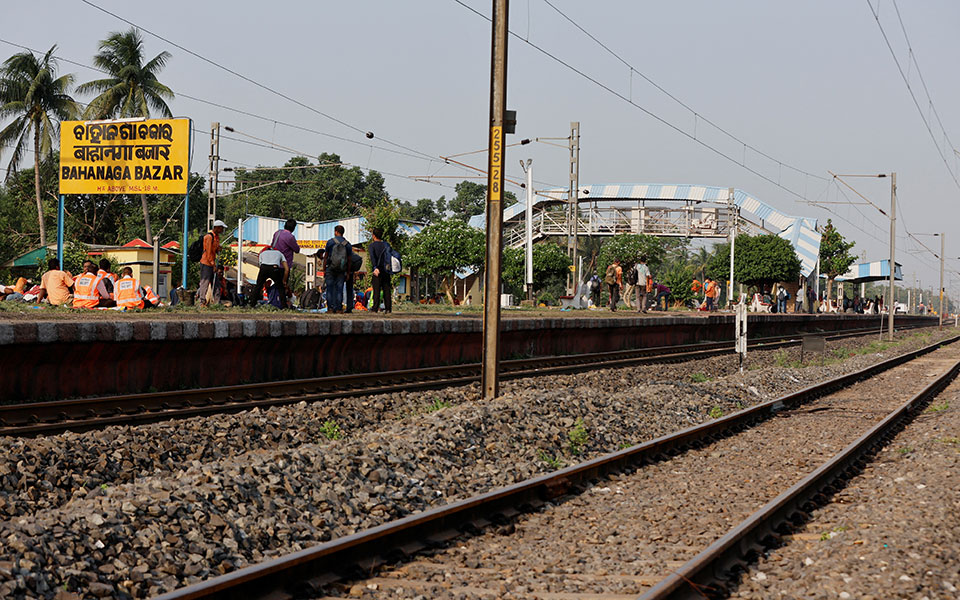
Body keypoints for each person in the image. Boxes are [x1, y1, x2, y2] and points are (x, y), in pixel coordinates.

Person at [323, 224, 353, 313]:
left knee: (329, 288)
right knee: (339, 289)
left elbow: (326, 256)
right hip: (341, 269)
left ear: (336, 232)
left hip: (331, 268)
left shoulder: (330, 242)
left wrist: (324, 269)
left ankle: (330, 308)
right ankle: (339, 308)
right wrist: (348, 272)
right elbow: (349, 260)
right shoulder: (347, 244)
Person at [197, 220, 225, 307]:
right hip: (206, 263)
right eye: (221, 228)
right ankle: (202, 301)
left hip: (212, 263)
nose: (222, 230)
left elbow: (214, 251)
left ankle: (217, 302)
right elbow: (208, 253)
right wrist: (213, 265)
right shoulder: (209, 237)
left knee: (216, 283)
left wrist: (218, 249)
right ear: (217, 227)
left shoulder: (217, 237)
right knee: (205, 282)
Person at [367, 227, 393, 314]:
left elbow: (373, 257)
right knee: (386, 289)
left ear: (373, 236)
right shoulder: (387, 245)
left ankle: (375, 308)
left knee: (376, 290)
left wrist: (375, 267)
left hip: (377, 270)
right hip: (386, 269)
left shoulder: (372, 246)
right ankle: (388, 308)